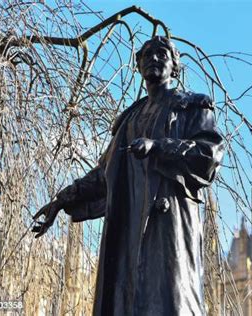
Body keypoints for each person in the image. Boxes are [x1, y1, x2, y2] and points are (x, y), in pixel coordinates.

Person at [32, 36, 224, 316]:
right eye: (147, 54)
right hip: (128, 229)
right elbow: (103, 175)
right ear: (138, 66)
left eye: (162, 54)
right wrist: (62, 200)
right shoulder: (129, 120)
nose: (154, 59)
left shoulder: (192, 106)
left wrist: (159, 147)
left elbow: (209, 155)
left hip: (166, 227)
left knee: (169, 302)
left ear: (175, 67)